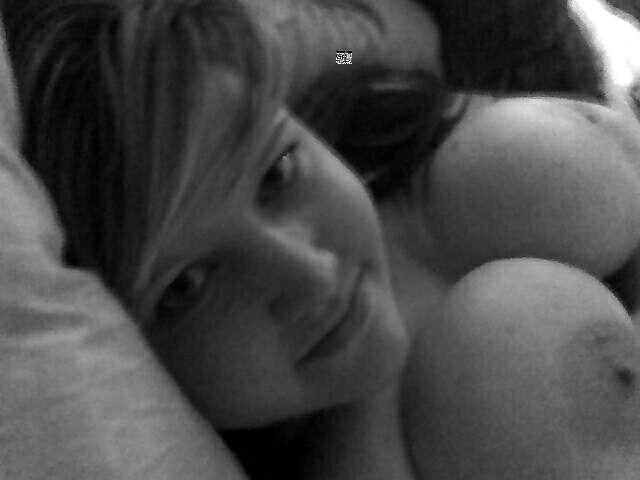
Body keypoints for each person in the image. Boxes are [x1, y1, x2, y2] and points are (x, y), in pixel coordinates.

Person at [5, 0, 640, 478]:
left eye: (275, 175)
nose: (310, 270)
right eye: (186, 288)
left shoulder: (342, 84)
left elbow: (394, 33)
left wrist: (328, 53)